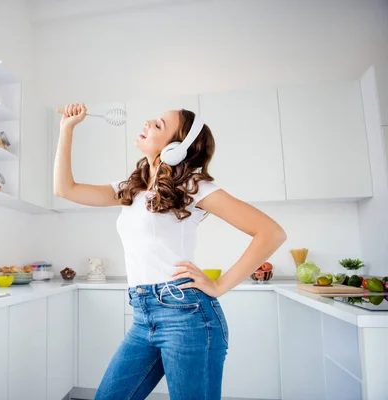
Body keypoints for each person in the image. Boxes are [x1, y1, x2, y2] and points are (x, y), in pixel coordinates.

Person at [53, 103, 287, 400]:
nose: (149, 121)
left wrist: (219, 285)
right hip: (143, 315)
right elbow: (65, 189)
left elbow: (271, 232)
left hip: (186, 315)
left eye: (160, 125)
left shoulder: (193, 185)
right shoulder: (132, 189)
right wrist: (67, 130)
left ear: (176, 149)